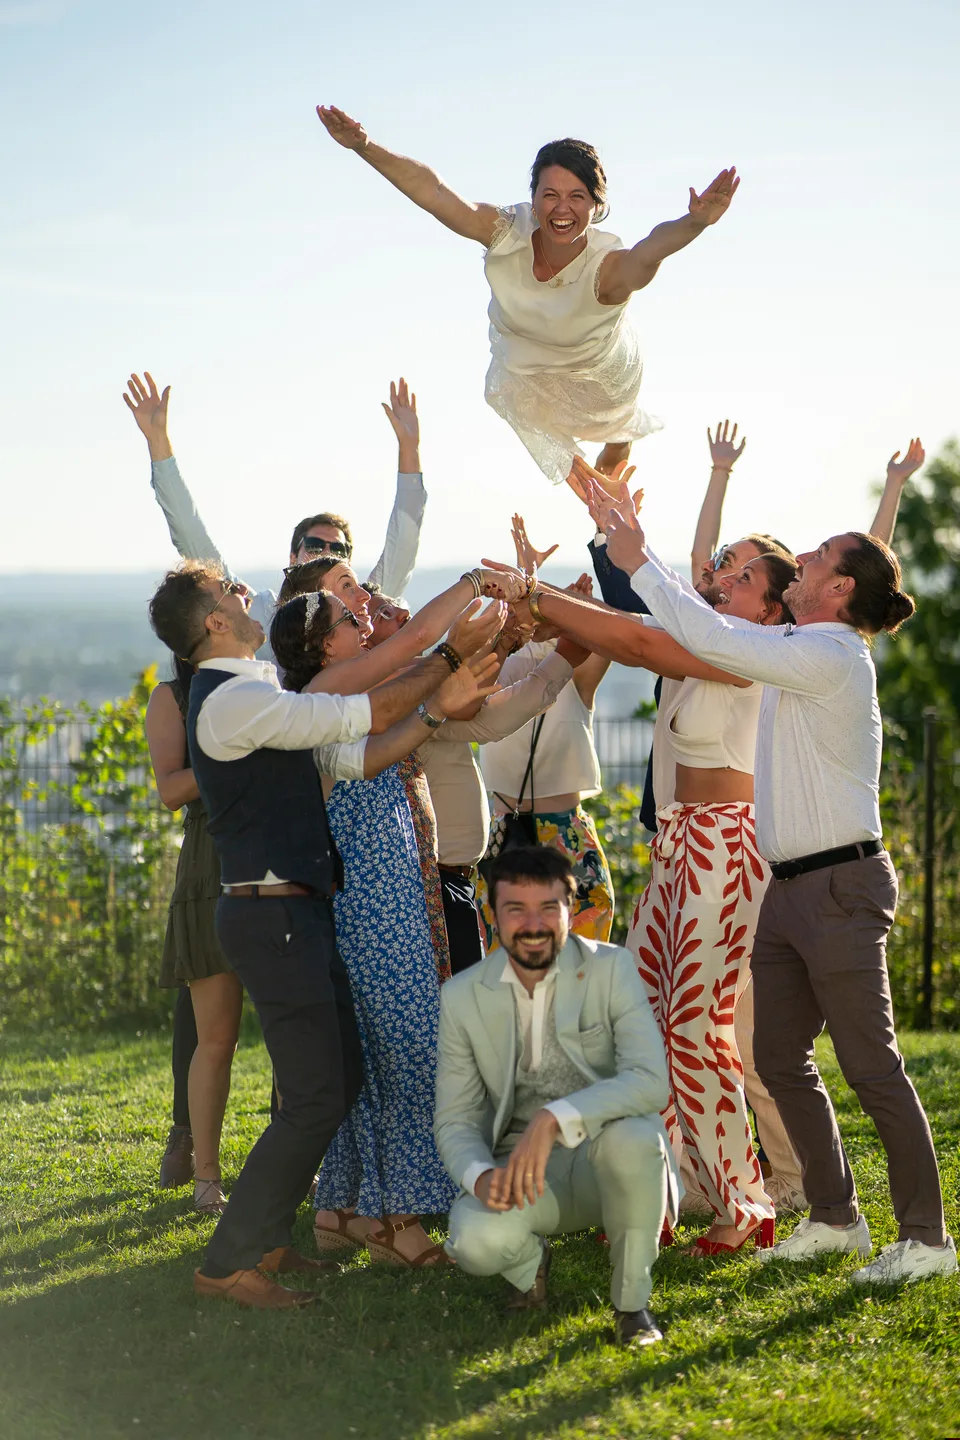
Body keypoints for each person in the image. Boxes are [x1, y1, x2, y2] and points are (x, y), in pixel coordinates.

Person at [595, 488, 957, 1286]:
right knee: (778, 1057)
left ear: (838, 591)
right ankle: (834, 1218)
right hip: (787, 888)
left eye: (822, 557)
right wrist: (641, 553)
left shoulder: (828, 658)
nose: (806, 561)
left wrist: (637, 565)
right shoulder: (803, 644)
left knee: (872, 1067)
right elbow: (718, 618)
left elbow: (710, 630)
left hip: (839, 886)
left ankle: (927, 1239)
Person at [147, 559, 497, 1308]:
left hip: (294, 912)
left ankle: (271, 1236)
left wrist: (436, 711)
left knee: (337, 1080)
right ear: (213, 623)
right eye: (229, 596)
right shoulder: (231, 699)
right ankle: (229, 1262)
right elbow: (354, 719)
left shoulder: (253, 689)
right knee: (315, 1095)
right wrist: (451, 663)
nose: (246, 601)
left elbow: (349, 753)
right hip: (271, 917)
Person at [317, 106, 739, 486]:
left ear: (597, 206)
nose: (562, 209)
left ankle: (620, 440)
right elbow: (437, 194)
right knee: (520, 396)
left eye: (578, 197)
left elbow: (652, 248)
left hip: (597, 372)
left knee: (614, 426)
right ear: (533, 200)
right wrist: (365, 146)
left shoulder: (607, 269)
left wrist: (693, 223)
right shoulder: (505, 231)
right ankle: (601, 484)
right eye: (550, 195)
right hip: (525, 364)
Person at [270, 588, 503, 1264]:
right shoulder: (325, 695)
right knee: (411, 1054)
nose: (363, 620)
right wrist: (474, 589)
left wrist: (453, 689)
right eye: (350, 619)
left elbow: (401, 729)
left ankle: (343, 1210)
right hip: (370, 904)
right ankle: (396, 1222)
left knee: (371, 1060)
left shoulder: (343, 697)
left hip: (386, 895)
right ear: (321, 647)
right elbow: (416, 666)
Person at [436, 846, 676, 1346]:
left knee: (637, 1138)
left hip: (606, 1155)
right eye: (515, 909)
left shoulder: (613, 968)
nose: (533, 924)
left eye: (549, 908)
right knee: (474, 1242)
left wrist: (554, 1117)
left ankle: (633, 1307)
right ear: (492, 916)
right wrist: (481, 1178)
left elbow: (651, 1080)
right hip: (521, 1173)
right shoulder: (461, 996)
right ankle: (531, 1264)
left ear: (571, 909)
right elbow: (455, 1120)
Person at [124, 371, 427, 657]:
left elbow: (405, 541)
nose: (326, 552)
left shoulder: (365, 605)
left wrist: (410, 448)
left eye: (337, 549)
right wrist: (158, 441)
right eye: (314, 545)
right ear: (293, 559)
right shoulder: (256, 612)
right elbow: (192, 538)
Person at [476, 524, 614, 947]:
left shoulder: (572, 670)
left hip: (552, 832)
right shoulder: (491, 670)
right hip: (512, 835)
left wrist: (573, 605)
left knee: (580, 964)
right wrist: (531, 588)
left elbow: (602, 637)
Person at [145, 655, 242, 1216]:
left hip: (276, 858)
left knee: (289, 1035)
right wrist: (239, 762)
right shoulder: (174, 696)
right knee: (216, 1037)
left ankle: (295, 1169)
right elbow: (170, 789)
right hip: (212, 865)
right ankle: (206, 1176)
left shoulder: (266, 681)